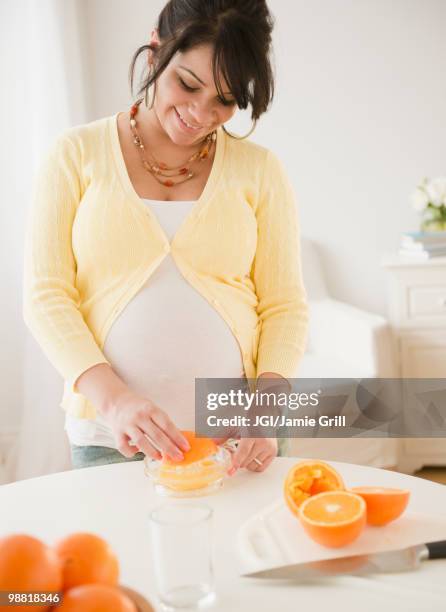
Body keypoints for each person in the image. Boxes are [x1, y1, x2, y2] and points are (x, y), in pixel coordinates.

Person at [23, 0, 309, 473]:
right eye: (188, 84)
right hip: (111, 436)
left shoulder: (260, 170)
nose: (199, 113)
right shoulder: (74, 154)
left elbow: (284, 306)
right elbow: (46, 296)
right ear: (156, 49)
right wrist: (115, 402)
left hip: (238, 440)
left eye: (224, 101)